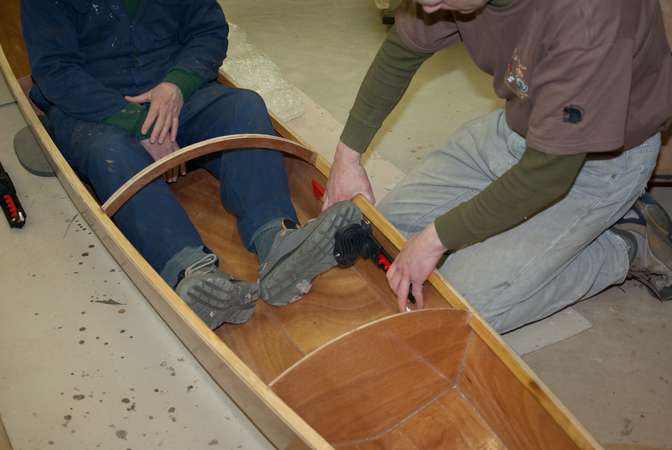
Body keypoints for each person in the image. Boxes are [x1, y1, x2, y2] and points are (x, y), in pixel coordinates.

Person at [324, 0, 672, 332]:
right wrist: (347, 157)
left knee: (457, 308)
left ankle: (625, 242)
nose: (426, 6)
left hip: (593, 166)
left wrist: (434, 239)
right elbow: (402, 49)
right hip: (517, 126)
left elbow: (547, 175)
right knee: (385, 236)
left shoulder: (588, 17)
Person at [22, 0, 360, 329]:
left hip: (173, 97)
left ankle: (278, 241)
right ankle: (190, 271)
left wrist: (176, 86)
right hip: (95, 109)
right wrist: (137, 124)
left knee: (244, 108)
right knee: (111, 153)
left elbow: (209, 31)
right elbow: (55, 71)